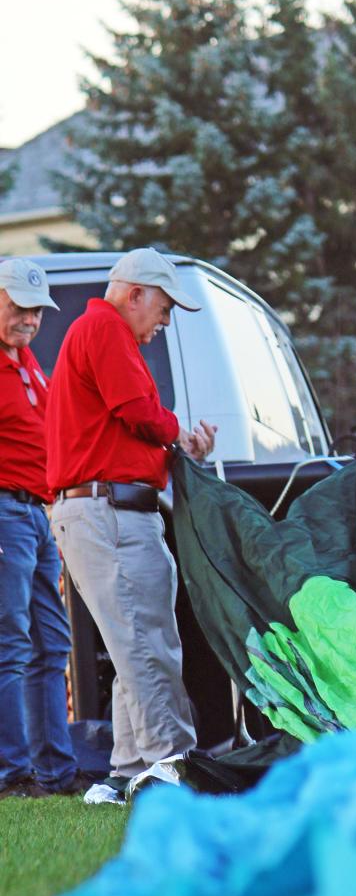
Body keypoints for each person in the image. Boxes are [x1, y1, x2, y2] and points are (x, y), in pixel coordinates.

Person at [46, 248, 217, 804]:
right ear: (136, 293)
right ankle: (174, 764)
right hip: (107, 513)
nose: (163, 323)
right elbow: (139, 411)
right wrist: (178, 433)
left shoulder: (100, 330)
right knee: (145, 645)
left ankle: (125, 772)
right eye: (164, 308)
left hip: (108, 509)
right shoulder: (105, 326)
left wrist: (175, 443)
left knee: (134, 645)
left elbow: (130, 430)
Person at [0, 259, 80, 799]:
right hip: (5, 510)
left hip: (37, 512)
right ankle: (12, 773)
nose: (28, 319)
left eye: (35, 310)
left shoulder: (29, 363)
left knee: (52, 643)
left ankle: (57, 772)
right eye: (17, 306)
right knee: (9, 643)